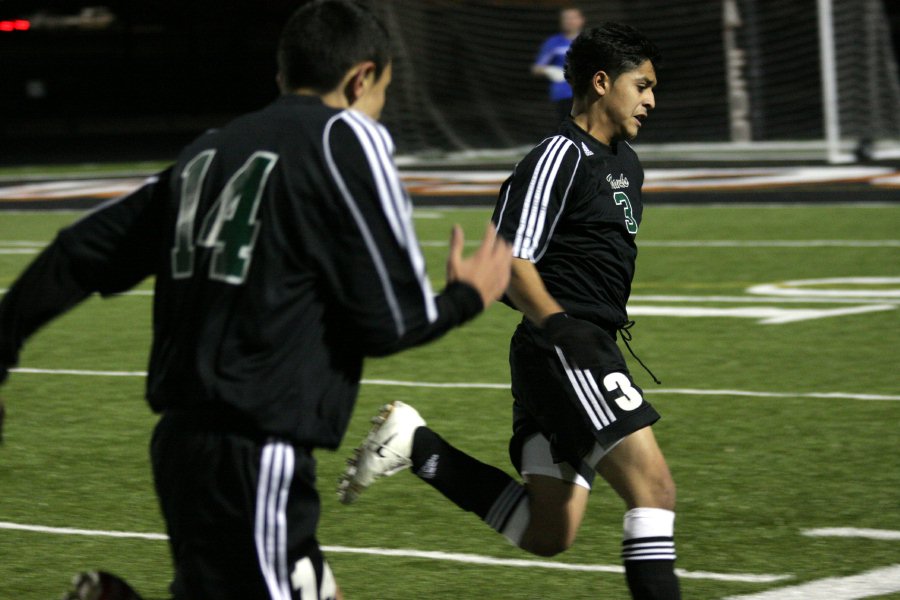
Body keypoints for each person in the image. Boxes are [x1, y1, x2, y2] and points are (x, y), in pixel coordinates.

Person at [0, 1, 512, 599]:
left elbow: (76, 254)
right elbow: (392, 322)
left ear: (281, 75)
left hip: (182, 446)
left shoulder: (209, 150)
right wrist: (466, 297)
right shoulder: (344, 135)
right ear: (362, 79)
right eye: (382, 94)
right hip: (258, 447)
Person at [340, 23, 681, 600]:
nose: (651, 99)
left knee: (550, 530)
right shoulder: (559, 156)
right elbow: (510, 262)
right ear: (602, 83)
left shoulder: (626, 163)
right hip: (567, 349)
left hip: (568, 349)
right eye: (641, 85)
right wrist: (561, 327)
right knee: (655, 490)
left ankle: (418, 446)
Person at [532, 6, 585, 124]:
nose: (569, 21)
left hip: (587, 92)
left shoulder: (589, 40)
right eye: (566, 18)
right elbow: (536, 68)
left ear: (581, 20)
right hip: (563, 94)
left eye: (573, 18)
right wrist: (549, 70)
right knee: (568, 127)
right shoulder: (553, 43)